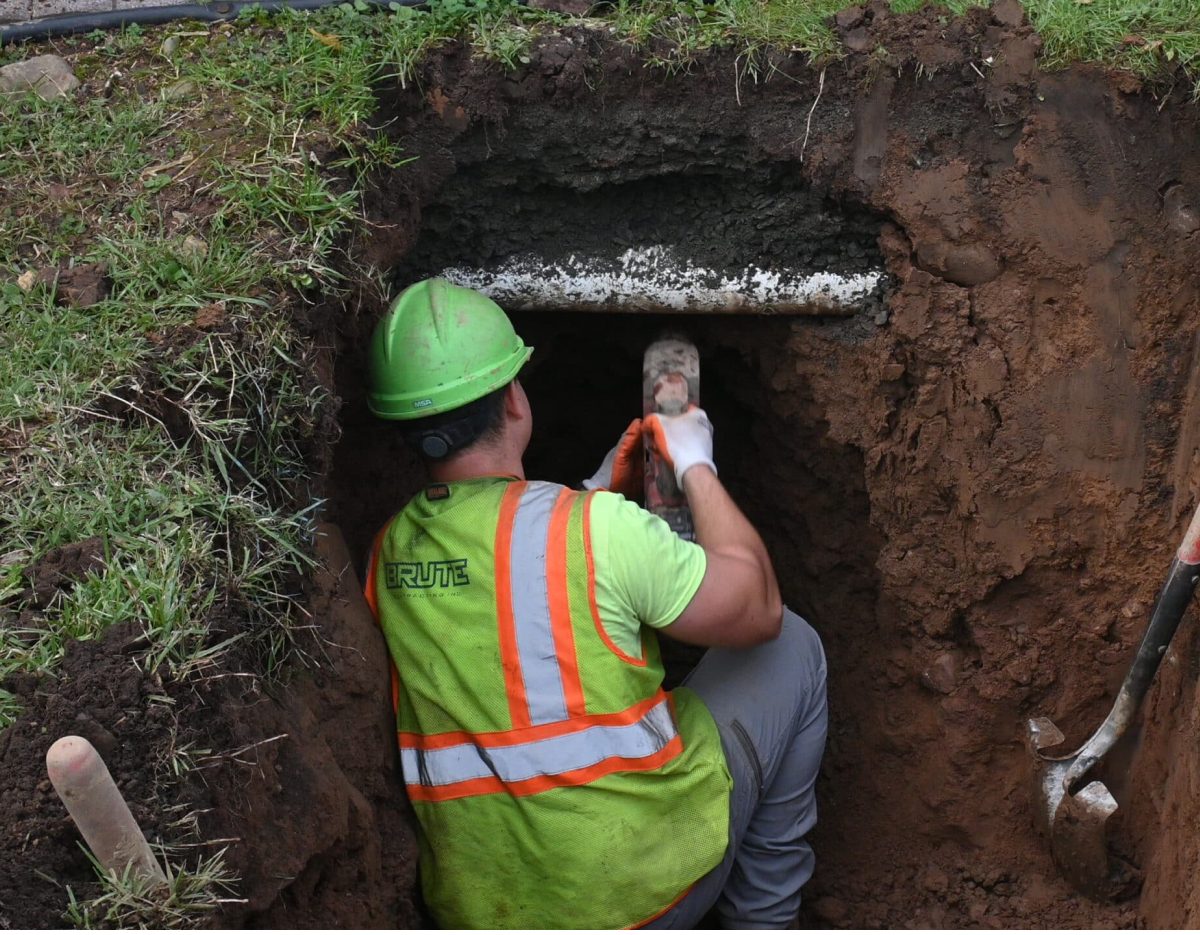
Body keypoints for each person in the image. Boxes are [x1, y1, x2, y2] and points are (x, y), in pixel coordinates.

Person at [363, 278, 828, 929]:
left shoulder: (387, 554)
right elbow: (755, 607)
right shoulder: (595, 529)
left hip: (488, 912)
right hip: (636, 897)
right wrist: (696, 465)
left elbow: (494, 584)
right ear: (516, 400)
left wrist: (583, 490)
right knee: (792, 647)